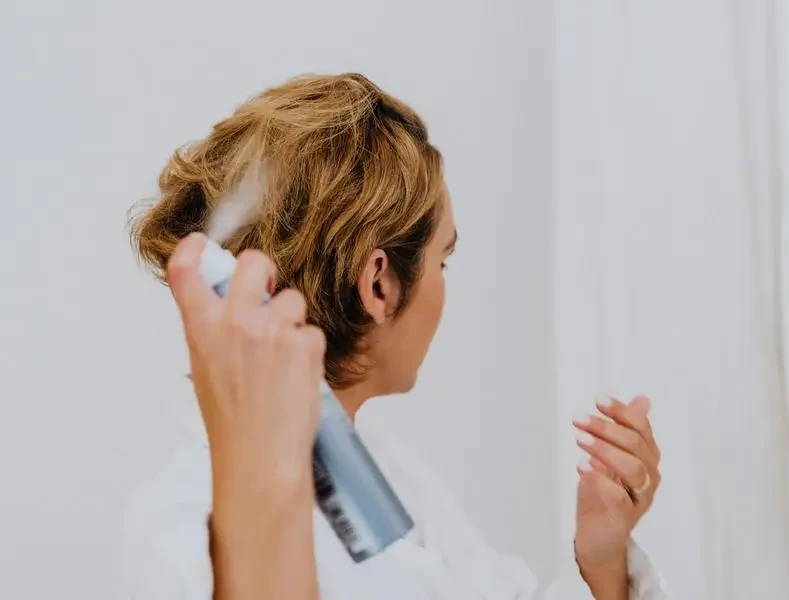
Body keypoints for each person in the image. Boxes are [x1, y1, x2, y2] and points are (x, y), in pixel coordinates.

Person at [124, 73, 666, 599]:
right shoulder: (184, 522)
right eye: (442, 260)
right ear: (379, 283)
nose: (443, 286)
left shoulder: (391, 476)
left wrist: (602, 559)